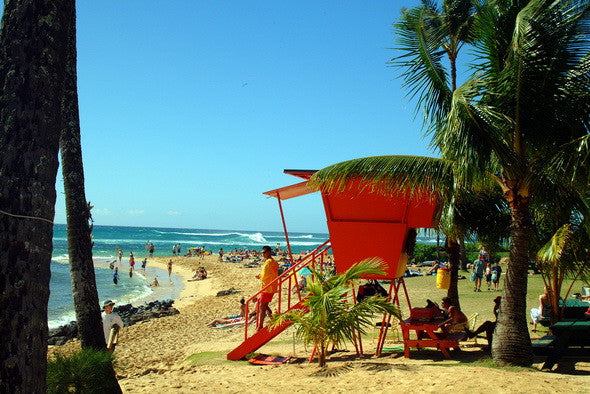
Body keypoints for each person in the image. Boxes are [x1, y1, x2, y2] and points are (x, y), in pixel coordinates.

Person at [256, 245, 278, 331]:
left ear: (268, 252)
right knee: (263, 304)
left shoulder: (269, 262)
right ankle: (272, 318)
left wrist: (260, 276)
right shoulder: (273, 261)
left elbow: (265, 275)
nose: (263, 254)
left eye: (264, 252)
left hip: (267, 287)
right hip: (270, 287)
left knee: (262, 306)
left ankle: (260, 326)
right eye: (262, 253)